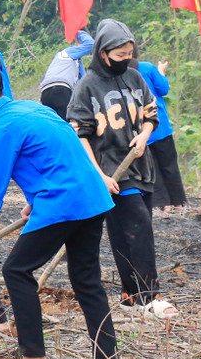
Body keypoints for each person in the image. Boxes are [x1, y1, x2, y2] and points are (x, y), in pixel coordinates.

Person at [0, 59, 120, 359]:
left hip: (63, 204)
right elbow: (53, 155)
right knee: (86, 280)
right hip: (91, 198)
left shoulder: (1, 129)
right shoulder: (33, 109)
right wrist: (34, 201)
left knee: (15, 271)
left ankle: (33, 357)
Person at [67, 19, 170, 320]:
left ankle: (130, 294)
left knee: (130, 231)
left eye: (129, 54)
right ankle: (151, 295)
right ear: (103, 53)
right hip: (110, 169)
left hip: (140, 164)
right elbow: (80, 134)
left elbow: (152, 114)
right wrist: (99, 175)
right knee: (138, 225)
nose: (126, 60)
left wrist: (145, 134)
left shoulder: (136, 77)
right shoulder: (86, 86)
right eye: (120, 56)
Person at [136, 53, 187, 211]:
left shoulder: (119, 74)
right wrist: (161, 71)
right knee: (169, 164)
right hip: (160, 126)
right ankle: (177, 201)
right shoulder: (146, 68)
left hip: (139, 131)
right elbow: (163, 88)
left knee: (152, 168)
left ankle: (163, 203)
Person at [37, 29, 94, 120]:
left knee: (54, 125)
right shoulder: (66, 53)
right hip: (60, 90)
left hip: (45, 94)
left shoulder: (72, 66)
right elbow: (90, 44)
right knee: (68, 123)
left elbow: (82, 82)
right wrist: (77, 32)